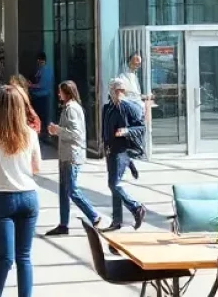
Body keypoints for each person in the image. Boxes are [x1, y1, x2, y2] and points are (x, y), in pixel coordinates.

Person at [0, 85, 42, 297]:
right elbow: (37, 168)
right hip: (28, 197)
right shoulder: (30, 134)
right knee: (24, 257)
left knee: (5, 258)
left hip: (1, 199)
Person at [46, 80, 101, 235]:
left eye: (60, 91)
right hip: (65, 154)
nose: (58, 94)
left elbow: (76, 134)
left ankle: (93, 215)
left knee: (71, 189)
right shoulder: (68, 108)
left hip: (71, 154)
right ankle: (63, 224)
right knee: (64, 191)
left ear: (67, 92)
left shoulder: (72, 109)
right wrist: (57, 131)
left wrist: (58, 130)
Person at [99, 76, 146, 232]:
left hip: (121, 150)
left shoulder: (128, 107)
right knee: (114, 185)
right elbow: (105, 130)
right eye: (116, 90)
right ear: (111, 91)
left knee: (114, 184)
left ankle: (136, 207)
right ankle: (116, 220)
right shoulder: (108, 108)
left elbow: (140, 128)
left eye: (121, 90)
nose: (119, 93)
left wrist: (126, 131)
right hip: (110, 150)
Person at [29, 53, 52, 137]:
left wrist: (30, 85)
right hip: (37, 96)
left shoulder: (46, 70)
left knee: (42, 115)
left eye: (38, 60)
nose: (37, 62)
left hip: (42, 96)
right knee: (38, 115)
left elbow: (41, 85)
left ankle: (43, 133)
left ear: (40, 60)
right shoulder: (40, 69)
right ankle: (40, 132)